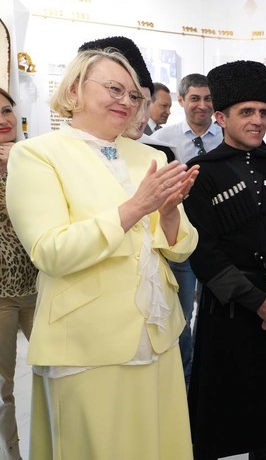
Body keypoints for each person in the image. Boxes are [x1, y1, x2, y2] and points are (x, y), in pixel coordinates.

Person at [6, 48, 199, 459]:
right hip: (86, 342)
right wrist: (135, 208)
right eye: (114, 89)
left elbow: (181, 248)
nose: (126, 101)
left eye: (134, 95)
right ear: (74, 90)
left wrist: (168, 214)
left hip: (157, 335)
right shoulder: (38, 154)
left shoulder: (150, 156)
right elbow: (51, 251)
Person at [184, 60, 266, 460]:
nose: (258, 120)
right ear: (221, 117)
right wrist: (259, 302)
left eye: (263, 112)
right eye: (247, 112)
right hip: (228, 311)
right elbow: (203, 251)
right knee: (216, 410)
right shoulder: (200, 174)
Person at [152, 73, 222, 385]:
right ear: (181, 101)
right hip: (179, 239)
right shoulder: (161, 141)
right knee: (180, 316)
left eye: (208, 99)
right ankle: (185, 380)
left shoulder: (228, 137)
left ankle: (209, 377)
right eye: (195, 98)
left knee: (214, 314)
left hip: (218, 241)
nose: (202, 105)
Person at [0, 87, 37, 460]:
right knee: (3, 388)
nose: (2, 119)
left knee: (57, 373)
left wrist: (20, 164)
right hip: (0, 296)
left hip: (41, 285)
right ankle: (12, 454)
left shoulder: (37, 158)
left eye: (6, 110)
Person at [78, 37, 177, 163]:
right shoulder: (58, 151)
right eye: (115, 89)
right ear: (76, 91)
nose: (143, 118)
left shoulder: (159, 155)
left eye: (146, 105)